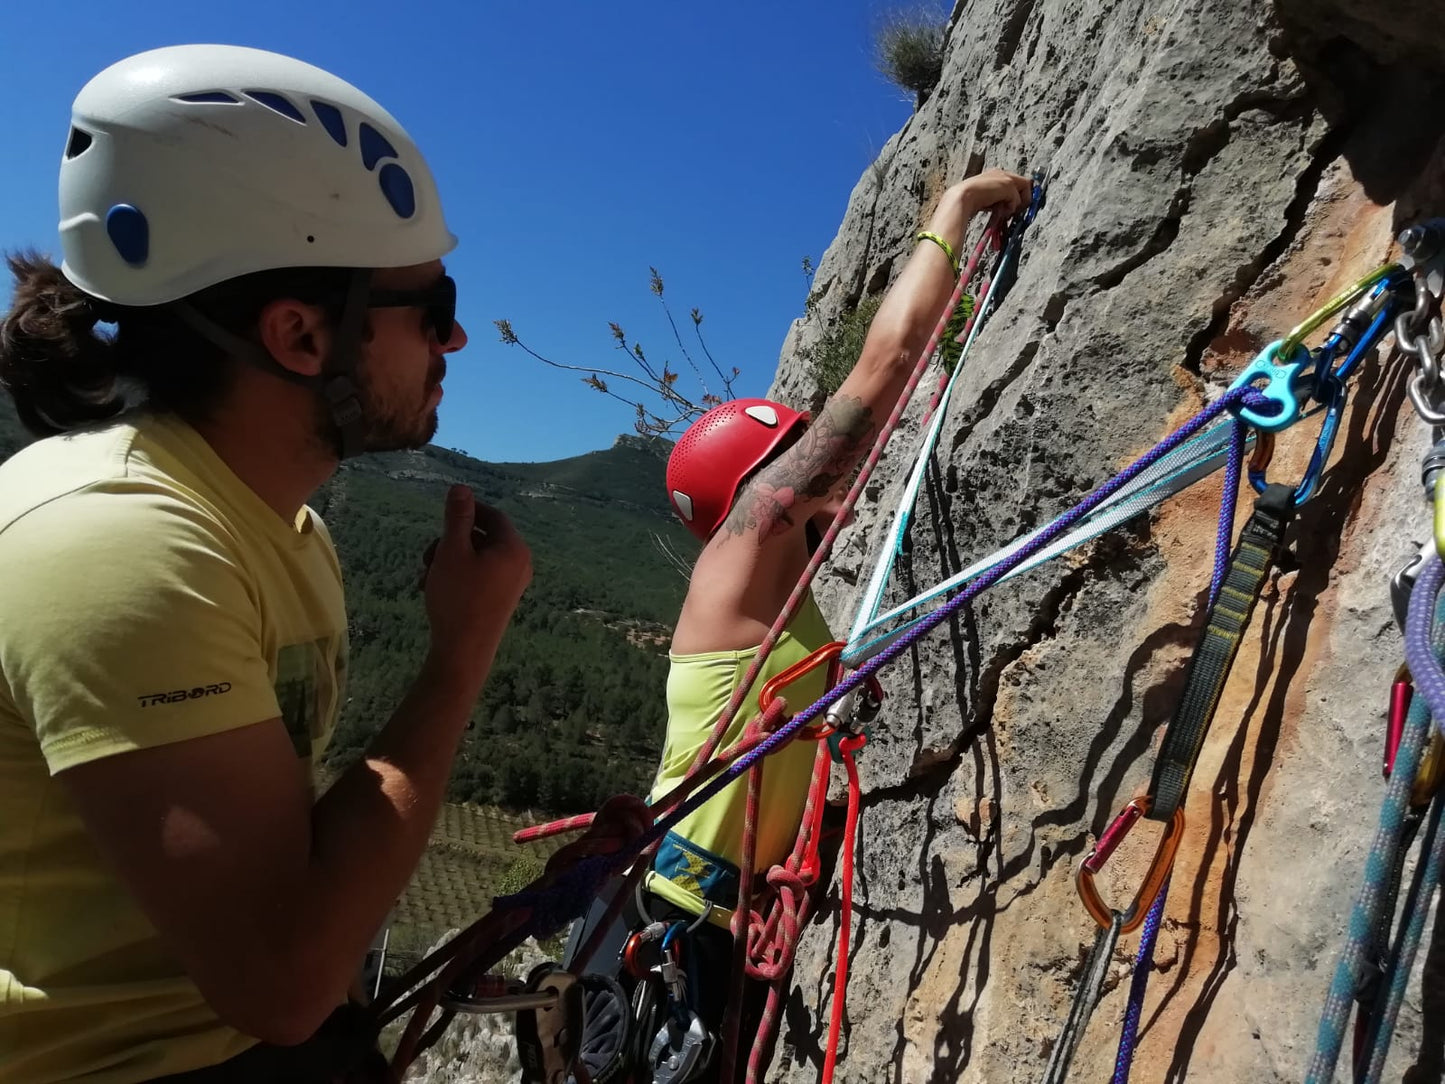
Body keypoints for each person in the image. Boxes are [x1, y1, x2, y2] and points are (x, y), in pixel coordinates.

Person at [0, 44, 534, 1083]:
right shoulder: (119, 542)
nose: (456, 337)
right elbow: (281, 980)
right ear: (299, 334)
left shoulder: (278, 527)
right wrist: (458, 658)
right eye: (428, 307)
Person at [562, 167, 1034, 1082]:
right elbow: (886, 368)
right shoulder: (740, 558)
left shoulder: (772, 596)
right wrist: (958, 210)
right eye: (802, 458)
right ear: (765, 483)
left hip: (696, 917)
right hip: (676, 918)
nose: (835, 480)